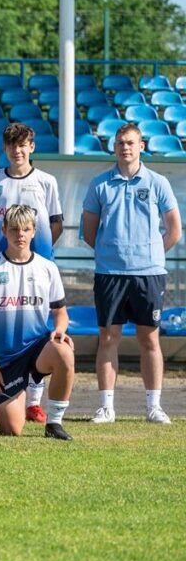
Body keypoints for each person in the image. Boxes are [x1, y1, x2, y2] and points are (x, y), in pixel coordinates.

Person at [81, 123, 182, 424]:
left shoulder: (158, 182)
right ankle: (106, 407)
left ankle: (154, 406)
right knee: (108, 338)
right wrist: (113, 253)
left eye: (130, 142)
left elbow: (174, 230)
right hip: (110, 273)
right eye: (120, 143)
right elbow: (90, 233)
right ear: (114, 147)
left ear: (141, 146)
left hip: (148, 275)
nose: (125, 147)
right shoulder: (99, 184)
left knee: (149, 339)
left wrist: (150, 255)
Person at [0, 122, 63, 423]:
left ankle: (34, 402)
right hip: (0, 268)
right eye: (12, 145)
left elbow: (55, 224)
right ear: (5, 148)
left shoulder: (46, 181)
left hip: (36, 268)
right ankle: (3, 395)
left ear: (31, 147)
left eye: (23, 144)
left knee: (38, 329)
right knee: (2, 329)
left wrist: (39, 254)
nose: (17, 150)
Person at [0, 205, 75, 440]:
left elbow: (61, 313)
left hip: (37, 348)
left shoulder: (47, 268)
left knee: (65, 352)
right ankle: (11, 400)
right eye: (14, 229)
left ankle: (54, 423)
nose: (20, 234)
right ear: (4, 231)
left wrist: (60, 330)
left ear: (34, 231)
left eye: (26, 229)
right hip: (6, 358)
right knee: (12, 429)